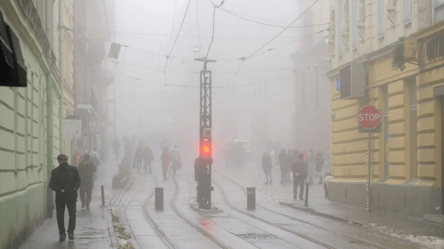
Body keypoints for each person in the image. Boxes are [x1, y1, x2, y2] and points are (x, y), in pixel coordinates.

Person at [49, 154, 81, 241]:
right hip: (60, 197)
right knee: (60, 216)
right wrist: (59, 190)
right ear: (59, 161)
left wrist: (75, 188)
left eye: (64, 160)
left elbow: (78, 180)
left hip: (71, 196)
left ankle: (71, 232)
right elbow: (51, 184)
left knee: (72, 214)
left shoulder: (73, 170)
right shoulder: (55, 171)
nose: (63, 162)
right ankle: (62, 233)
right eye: (62, 160)